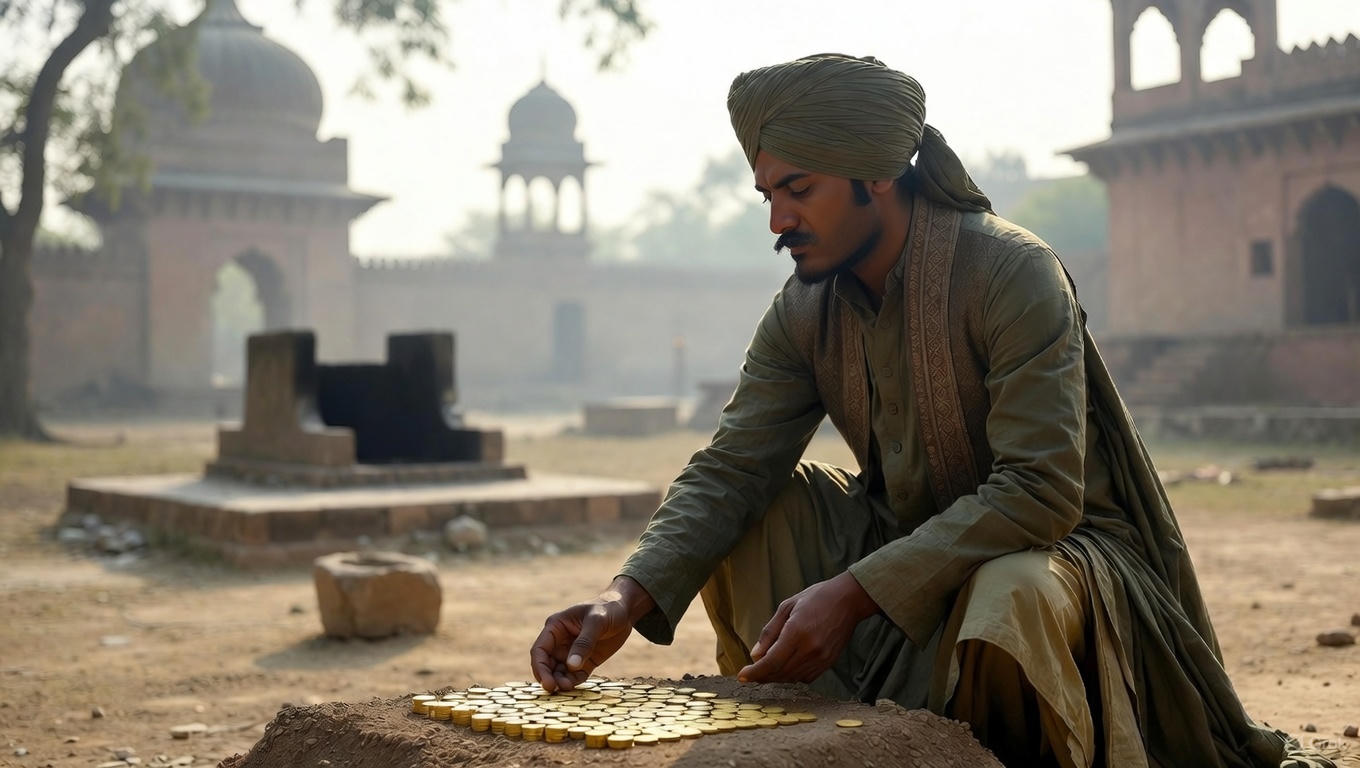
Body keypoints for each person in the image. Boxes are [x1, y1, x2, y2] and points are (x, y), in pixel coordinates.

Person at [530, 54, 1330, 768]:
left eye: (799, 190)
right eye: (769, 194)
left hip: (1059, 564)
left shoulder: (1010, 274)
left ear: (876, 174)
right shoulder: (805, 307)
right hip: (897, 547)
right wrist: (624, 599)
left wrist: (852, 592)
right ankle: (823, 743)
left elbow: (1043, 492)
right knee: (756, 508)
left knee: (1008, 595)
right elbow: (731, 467)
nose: (777, 221)